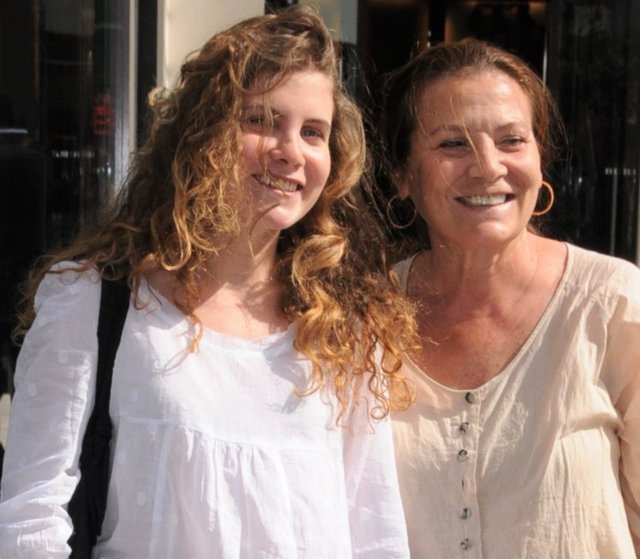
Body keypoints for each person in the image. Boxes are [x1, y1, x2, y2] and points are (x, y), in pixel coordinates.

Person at [0, 6, 416, 557]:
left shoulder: (346, 334)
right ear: (203, 135)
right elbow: (31, 517)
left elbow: (375, 535)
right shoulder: (94, 305)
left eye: (312, 132)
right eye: (262, 120)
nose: (291, 151)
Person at [380, 37, 640, 557]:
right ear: (402, 173)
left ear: (540, 161)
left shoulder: (612, 303)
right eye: (453, 144)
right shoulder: (364, 319)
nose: (487, 166)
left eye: (512, 140)